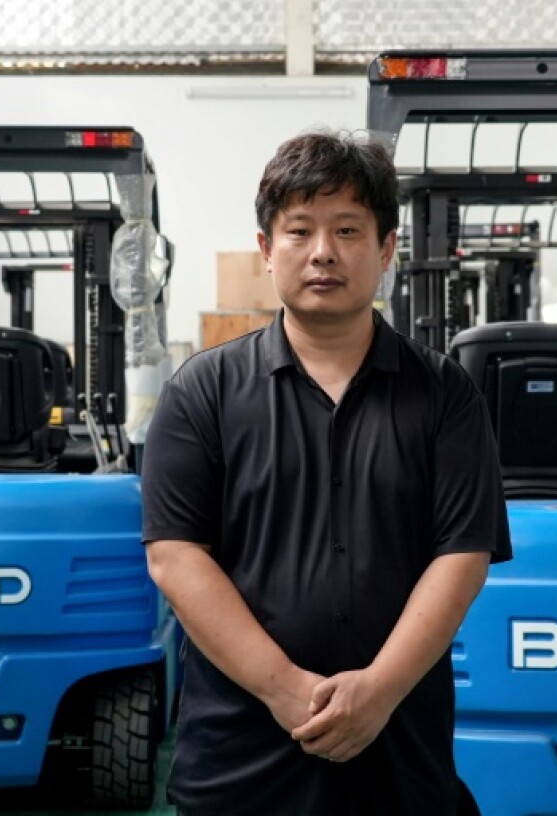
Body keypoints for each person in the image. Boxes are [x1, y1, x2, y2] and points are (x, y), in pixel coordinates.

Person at [141, 130, 511, 816]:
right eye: (300, 230)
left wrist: (377, 693)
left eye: (347, 230)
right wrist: (284, 688)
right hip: (240, 756)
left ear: (386, 248)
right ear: (266, 248)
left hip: (398, 748)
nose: (323, 253)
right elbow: (175, 557)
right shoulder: (203, 394)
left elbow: (462, 554)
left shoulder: (445, 396)